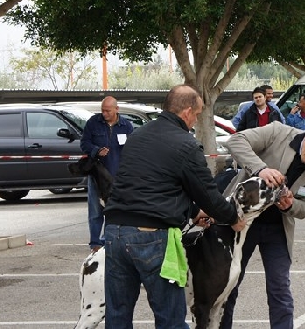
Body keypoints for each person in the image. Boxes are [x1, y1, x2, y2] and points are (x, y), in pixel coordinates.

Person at [103, 85, 246, 329]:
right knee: (170, 318)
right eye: (197, 114)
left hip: (114, 231)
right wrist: (233, 217)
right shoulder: (186, 144)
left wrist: (193, 212)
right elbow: (209, 196)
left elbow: (150, 184)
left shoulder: (138, 135)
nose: (196, 120)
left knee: (117, 315)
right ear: (187, 111)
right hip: (152, 236)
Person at [220, 122, 305, 329]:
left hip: (278, 229)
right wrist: (261, 169)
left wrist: (291, 205)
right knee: (229, 284)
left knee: (279, 288)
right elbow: (235, 140)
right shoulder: (278, 132)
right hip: (241, 222)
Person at [80, 96, 134, 252]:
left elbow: (132, 149)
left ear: (116, 109)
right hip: (97, 178)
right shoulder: (93, 123)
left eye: (107, 111)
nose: (104, 114)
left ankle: (109, 241)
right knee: (95, 211)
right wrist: (96, 151)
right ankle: (95, 244)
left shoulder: (126, 126)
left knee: (114, 211)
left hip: (118, 178)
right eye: (102, 110)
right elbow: (84, 143)